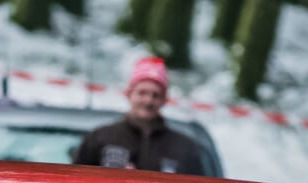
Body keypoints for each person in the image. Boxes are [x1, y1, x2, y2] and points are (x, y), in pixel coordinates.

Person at [72, 57, 207, 176]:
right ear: (129, 93)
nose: (148, 101)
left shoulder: (184, 147)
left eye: (156, 95)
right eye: (142, 93)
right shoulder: (99, 138)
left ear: (165, 100)